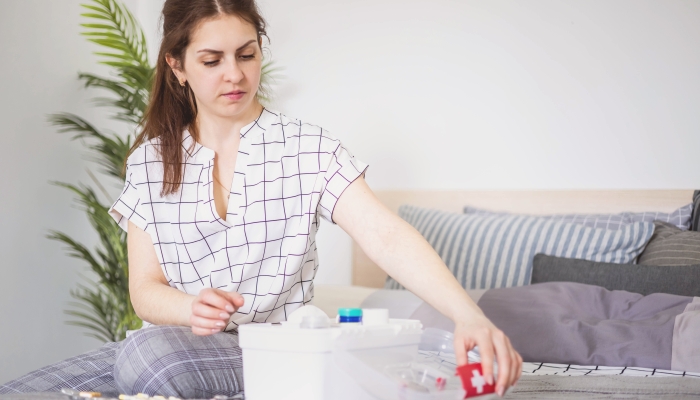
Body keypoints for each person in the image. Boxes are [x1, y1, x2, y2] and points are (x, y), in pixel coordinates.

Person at [0, 0, 521, 398]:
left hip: (276, 349)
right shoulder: (150, 162)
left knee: (148, 361)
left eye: (247, 54)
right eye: (213, 60)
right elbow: (144, 291)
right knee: (24, 390)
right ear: (178, 67)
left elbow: (384, 235)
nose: (235, 74)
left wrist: (469, 316)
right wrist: (189, 308)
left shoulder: (307, 148)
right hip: (171, 345)